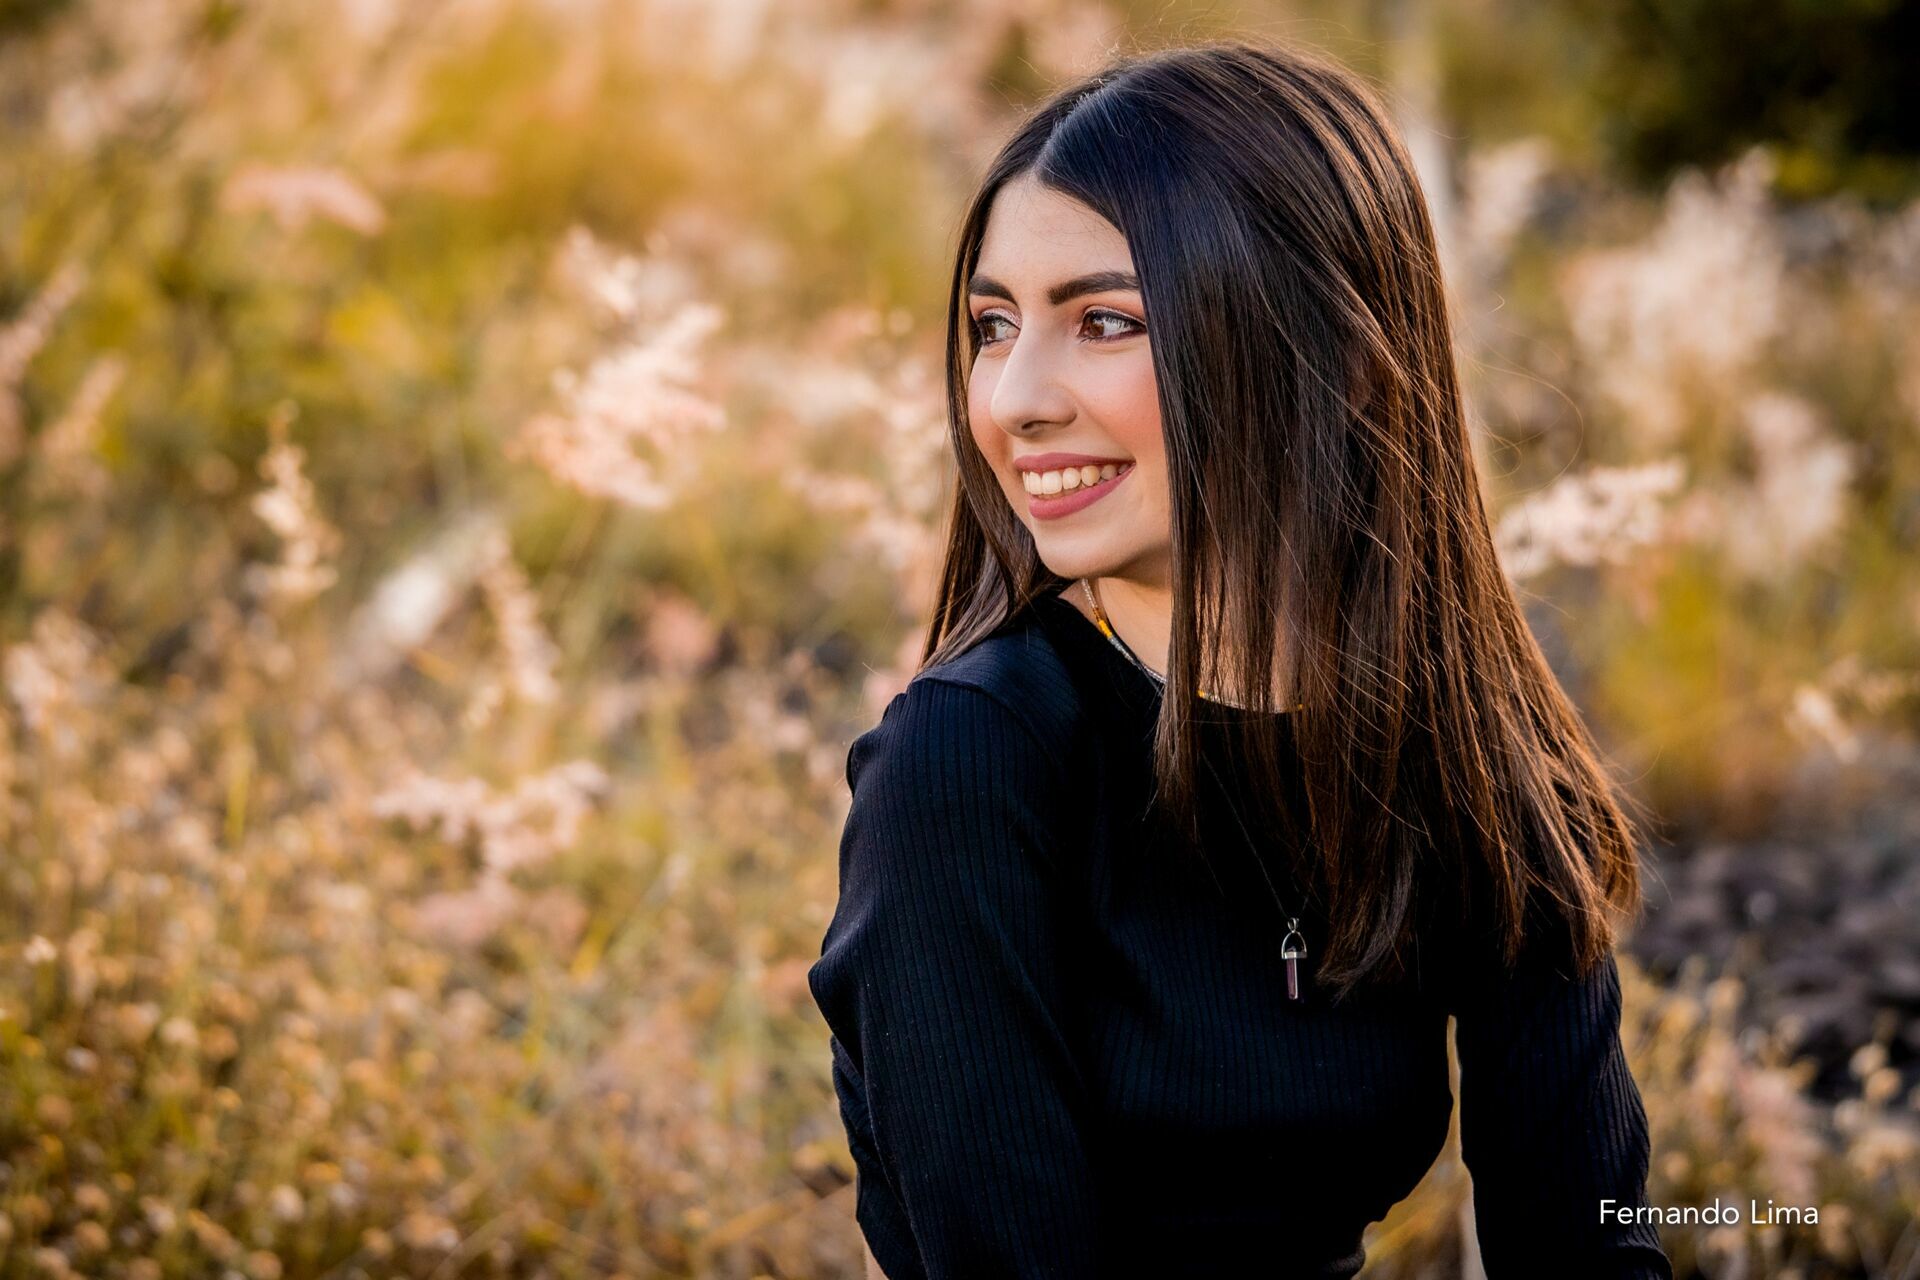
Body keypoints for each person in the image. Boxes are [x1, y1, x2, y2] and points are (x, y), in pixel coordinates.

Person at [807, 37, 1672, 1280]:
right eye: (994, 326)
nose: (1013, 398)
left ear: (1345, 365)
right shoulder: (969, 762)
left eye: (1103, 321)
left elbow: (1594, 1236)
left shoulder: (1461, 747)